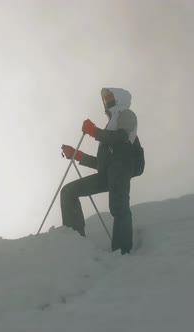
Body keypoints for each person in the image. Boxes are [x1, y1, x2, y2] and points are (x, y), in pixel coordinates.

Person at [60, 87, 138, 254]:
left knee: (118, 206)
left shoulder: (127, 114)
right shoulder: (109, 125)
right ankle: (74, 240)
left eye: (110, 97)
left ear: (119, 97)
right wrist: (77, 155)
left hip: (121, 170)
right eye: (105, 98)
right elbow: (102, 164)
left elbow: (122, 138)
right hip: (108, 174)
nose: (107, 101)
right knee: (68, 191)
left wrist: (95, 132)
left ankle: (123, 252)